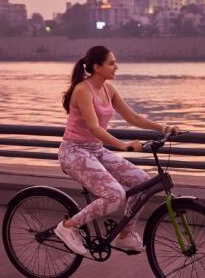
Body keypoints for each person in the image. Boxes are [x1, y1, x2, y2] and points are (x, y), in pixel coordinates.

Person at [54, 45, 179, 256]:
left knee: (140, 181)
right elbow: (93, 127)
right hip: (74, 152)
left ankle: (125, 236)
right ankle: (67, 227)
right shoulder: (83, 90)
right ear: (97, 67)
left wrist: (164, 127)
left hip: (96, 150)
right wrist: (124, 145)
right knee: (114, 195)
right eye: (111, 63)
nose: (116, 67)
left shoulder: (108, 89)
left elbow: (133, 118)